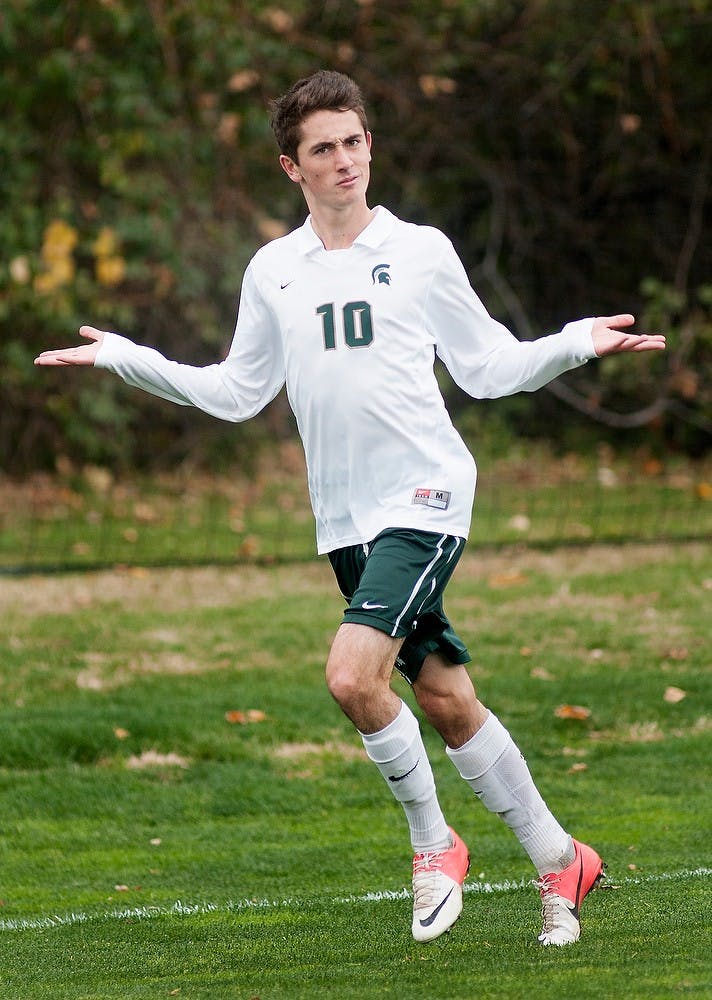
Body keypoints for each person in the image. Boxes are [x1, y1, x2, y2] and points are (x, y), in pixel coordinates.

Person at [35, 70, 665, 946]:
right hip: (346, 520)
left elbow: (485, 368)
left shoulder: (422, 251)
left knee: (349, 677)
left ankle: (434, 845)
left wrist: (572, 345)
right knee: (445, 702)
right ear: (291, 166)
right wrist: (127, 358)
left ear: (371, 145)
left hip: (428, 497)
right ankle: (563, 859)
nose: (344, 161)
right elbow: (234, 392)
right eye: (323, 148)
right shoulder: (273, 271)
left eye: (354, 142)